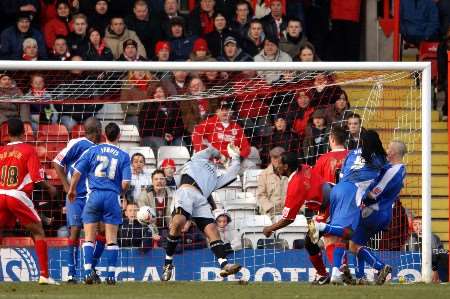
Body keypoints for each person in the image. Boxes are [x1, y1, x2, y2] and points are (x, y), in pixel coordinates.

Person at [308, 130, 387, 284]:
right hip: (353, 192)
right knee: (348, 232)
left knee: (341, 237)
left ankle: (336, 272)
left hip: (338, 189)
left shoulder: (353, 153)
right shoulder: (380, 159)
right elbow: (381, 179)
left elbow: (343, 172)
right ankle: (320, 226)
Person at [160, 144, 242, 281]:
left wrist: (236, 157)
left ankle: (224, 265)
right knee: (178, 222)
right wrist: (221, 155)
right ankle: (168, 264)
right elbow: (210, 150)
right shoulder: (197, 158)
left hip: (201, 199)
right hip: (185, 192)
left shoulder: (217, 177)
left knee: (212, 229)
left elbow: (233, 173)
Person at [68, 122, 131, 285]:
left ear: (104, 134)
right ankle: (110, 275)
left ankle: (88, 271)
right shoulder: (124, 156)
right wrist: (119, 193)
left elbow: (76, 172)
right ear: (118, 136)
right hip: (112, 197)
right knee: (111, 238)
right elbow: (125, 183)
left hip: (94, 196)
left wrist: (72, 190)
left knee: (89, 237)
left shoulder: (92, 150)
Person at [0, 118, 58, 285]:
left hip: (1, 193)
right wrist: (50, 188)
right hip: (16, 195)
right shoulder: (28, 150)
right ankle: (44, 275)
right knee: (38, 232)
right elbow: (37, 178)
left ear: (8, 133)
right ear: (24, 132)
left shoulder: (1, 151)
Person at [262, 151, 331, 285]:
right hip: (329, 199)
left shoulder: (295, 185)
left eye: (279, 163)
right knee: (331, 239)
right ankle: (331, 272)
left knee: (311, 243)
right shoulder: (304, 167)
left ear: (286, 166)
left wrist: (270, 228)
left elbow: (288, 219)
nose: (276, 166)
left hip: (328, 208)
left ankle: (326, 274)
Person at [347, 140, 407, 285]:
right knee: (358, 243)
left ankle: (380, 267)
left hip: (373, 211)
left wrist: (359, 196)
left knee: (352, 245)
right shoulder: (398, 169)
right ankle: (360, 277)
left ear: (392, 152)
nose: (386, 150)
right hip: (383, 213)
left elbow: (374, 193)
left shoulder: (393, 171)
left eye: (388, 147)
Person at [52, 117, 103, 283]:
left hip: (93, 196)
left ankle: (91, 268)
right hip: (77, 197)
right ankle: (71, 274)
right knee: (74, 233)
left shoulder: (99, 149)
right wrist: (67, 187)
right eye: (100, 129)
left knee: (100, 232)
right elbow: (57, 162)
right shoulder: (78, 143)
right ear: (97, 131)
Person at [406, 216, 447, 283]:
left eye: (420, 224)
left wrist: (434, 269)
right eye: (415, 225)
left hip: (434, 266)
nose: (417, 227)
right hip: (416, 266)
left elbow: (437, 254)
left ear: (426, 225)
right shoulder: (411, 239)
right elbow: (407, 254)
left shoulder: (433, 237)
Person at [138, 169, 175, 241]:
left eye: (161, 179)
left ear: (165, 181)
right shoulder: (144, 195)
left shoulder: (173, 193)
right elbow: (144, 218)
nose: (159, 181)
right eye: (156, 179)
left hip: (169, 228)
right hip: (150, 229)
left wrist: (173, 226)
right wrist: (153, 233)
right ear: (152, 181)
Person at [256, 147, 288, 219]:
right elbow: (261, 195)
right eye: (275, 158)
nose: (277, 160)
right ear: (271, 159)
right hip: (270, 213)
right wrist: (270, 208)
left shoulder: (289, 172)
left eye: (280, 158)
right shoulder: (264, 174)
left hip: (289, 212)